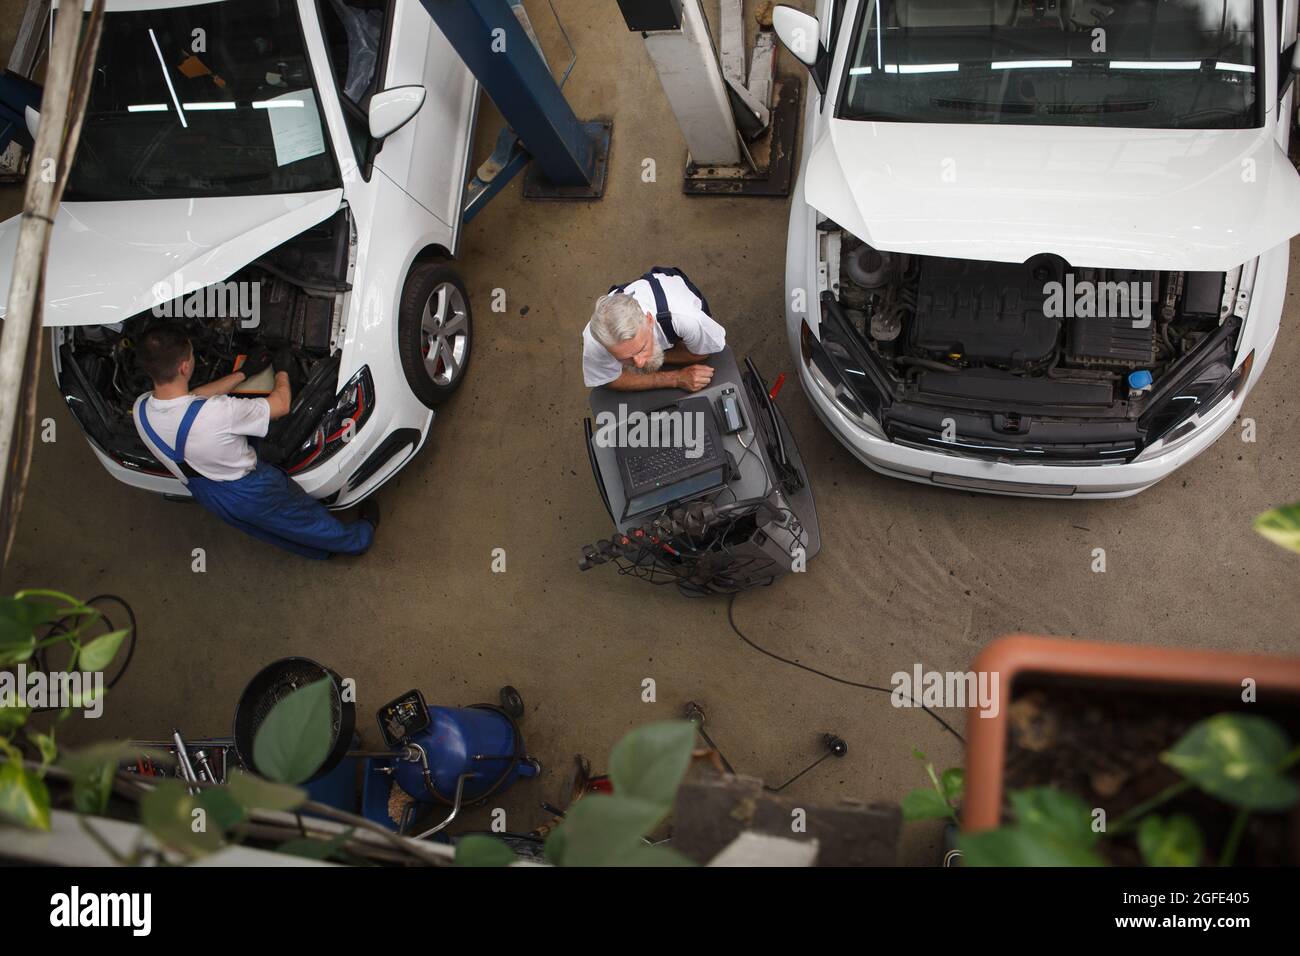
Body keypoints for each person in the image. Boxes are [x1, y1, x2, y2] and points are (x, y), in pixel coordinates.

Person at [131, 324, 377, 559]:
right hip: (250, 490)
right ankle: (358, 540)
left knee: (270, 528)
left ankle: (317, 551)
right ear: (185, 367)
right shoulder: (219, 413)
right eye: (193, 354)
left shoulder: (142, 407)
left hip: (208, 492)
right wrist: (283, 373)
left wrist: (243, 373)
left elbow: (191, 399)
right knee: (301, 517)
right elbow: (281, 405)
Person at [583, 267, 726, 392]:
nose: (639, 364)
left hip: (671, 296)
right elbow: (610, 379)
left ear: (649, 320)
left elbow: (702, 353)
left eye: (641, 348)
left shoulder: (688, 319)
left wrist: (662, 358)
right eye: (623, 358)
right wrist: (675, 378)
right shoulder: (596, 340)